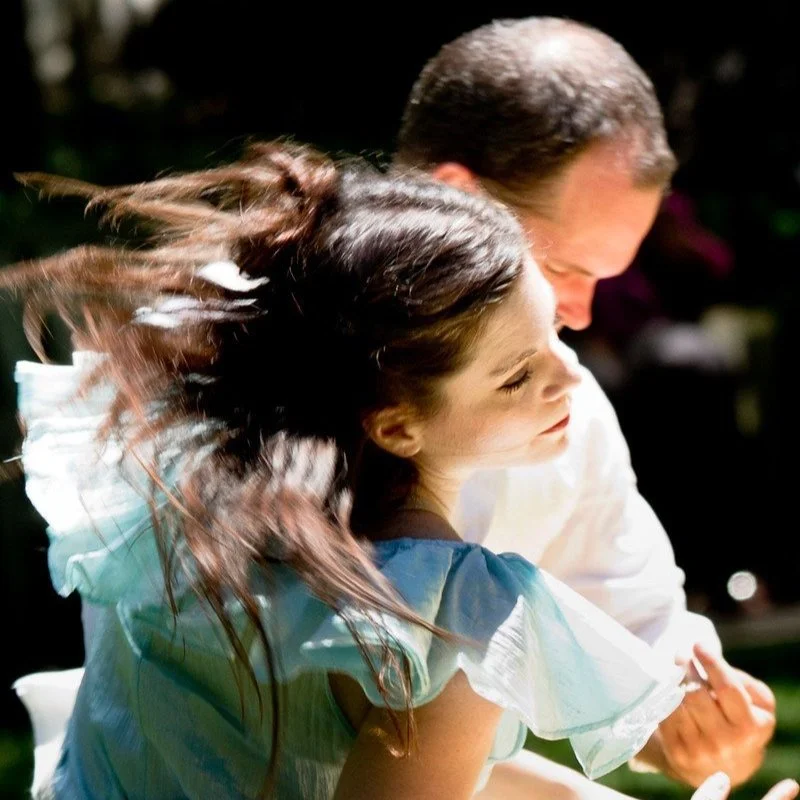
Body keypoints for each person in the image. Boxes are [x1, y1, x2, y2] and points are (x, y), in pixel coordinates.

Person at [6, 142, 691, 798]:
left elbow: (324, 757)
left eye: (554, 334)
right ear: (395, 426)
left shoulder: (204, 505)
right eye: (516, 375)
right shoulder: (452, 619)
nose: (570, 378)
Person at [395, 17, 776, 788]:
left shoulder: (566, 414)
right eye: (564, 267)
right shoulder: (245, 375)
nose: (582, 313)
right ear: (457, 197)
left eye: (605, 277)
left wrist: (702, 725)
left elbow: (645, 638)